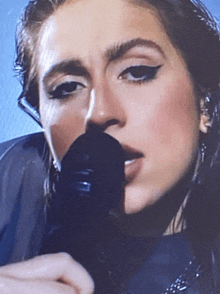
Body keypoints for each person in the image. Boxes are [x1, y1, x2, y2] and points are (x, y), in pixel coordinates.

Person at [0, 0, 220, 293]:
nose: (99, 112)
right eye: (67, 88)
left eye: (137, 71)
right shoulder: (10, 181)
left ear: (203, 101)